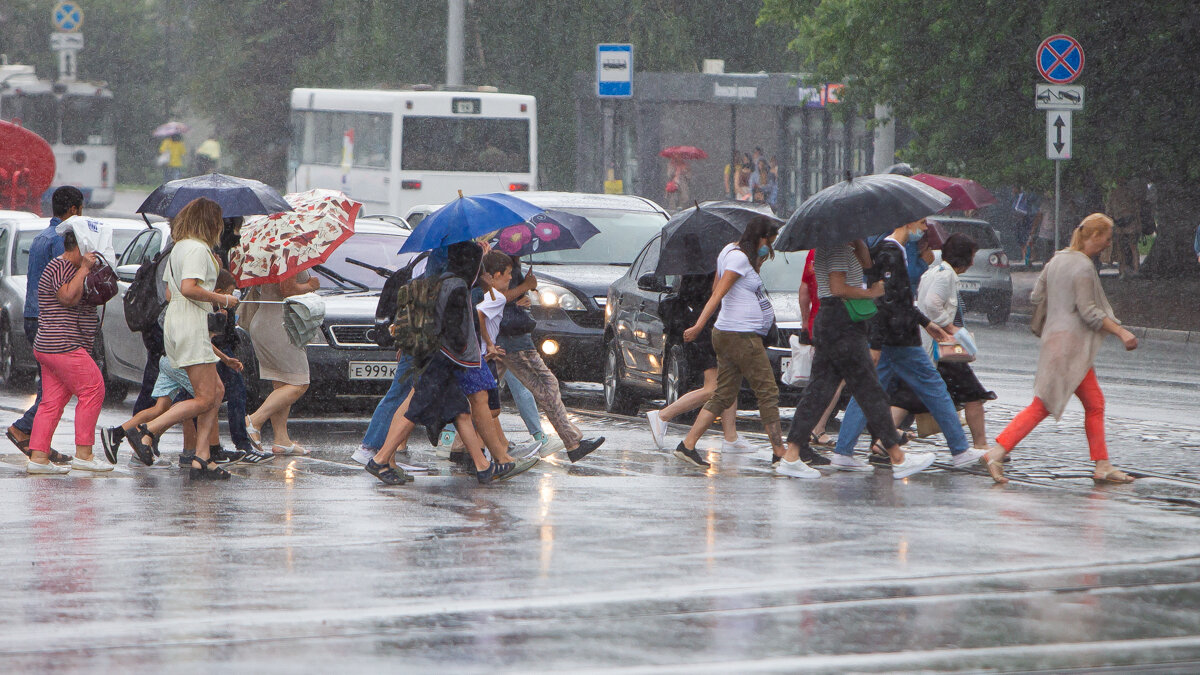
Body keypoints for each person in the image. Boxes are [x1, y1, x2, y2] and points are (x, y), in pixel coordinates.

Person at [985, 214, 1139, 484]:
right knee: (1044, 405)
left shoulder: (1056, 260)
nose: (1108, 243)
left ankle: (1102, 463)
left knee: (1093, 403)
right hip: (1072, 347)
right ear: (1094, 236)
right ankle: (997, 452)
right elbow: (1090, 312)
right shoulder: (1082, 267)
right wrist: (1121, 331)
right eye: (1107, 237)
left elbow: (1035, 296)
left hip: (1055, 343)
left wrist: (1059, 304)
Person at [829, 218, 986, 470]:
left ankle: (843, 451)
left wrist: (926, 323)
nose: (925, 229)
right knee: (934, 388)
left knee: (867, 391)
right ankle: (960, 450)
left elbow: (901, 301)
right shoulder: (889, 253)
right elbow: (885, 302)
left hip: (896, 337)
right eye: (922, 223)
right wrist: (877, 344)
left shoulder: (893, 252)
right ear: (906, 222)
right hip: (899, 339)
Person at [778, 239, 937, 480]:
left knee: (821, 389)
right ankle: (898, 456)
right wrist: (870, 293)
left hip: (832, 321)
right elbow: (837, 287)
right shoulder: (837, 247)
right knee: (868, 388)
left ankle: (791, 455)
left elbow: (866, 263)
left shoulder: (840, 246)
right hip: (842, 321)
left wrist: (859, 243)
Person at [365, 242, 517, 485]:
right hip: (442, 361)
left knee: (461, 412)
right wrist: (465, 353)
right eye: (478, 263)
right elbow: (454, 331)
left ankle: (483, 466)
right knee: (414, 410)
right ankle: (380, 459)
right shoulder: (456, 287)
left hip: (440, 359)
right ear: (469, 263)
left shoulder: (443, 280)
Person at [125, 198, 237, 479]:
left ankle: (202, 456)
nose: (222, 226)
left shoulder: (180, 247)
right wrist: (222, 298)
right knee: (204, 398)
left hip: (178, 322)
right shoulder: (198, 249)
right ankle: (149, 431)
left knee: (217, 391)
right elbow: (188, 288)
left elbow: (172, 292)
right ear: (210, 222)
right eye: (219, 220)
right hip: (190, 324)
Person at [672, 217, 789, 470]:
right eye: (770, 241)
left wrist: (756, 263)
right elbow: (717, 293)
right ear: (761, 237)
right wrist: (698, 326)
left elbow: (719, 285)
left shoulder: (730, 251)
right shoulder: (738, 259)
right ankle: (780, 451)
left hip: (729, 333)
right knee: (767, 391)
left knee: (723, 393)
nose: (771, 247)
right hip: (740, 337)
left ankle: (688, 445)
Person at [494, 255, 605, 463]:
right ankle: (572, 442)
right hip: (512, 338)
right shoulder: (501, 261)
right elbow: (495, 296)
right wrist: (524, 287)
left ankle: (460, 446)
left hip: (506, 336)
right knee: (546, 385)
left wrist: (523, 294)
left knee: (483, 394)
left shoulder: (509, 260)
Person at [7, 187, 82, 466]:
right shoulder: (62, 241)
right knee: (56, 388)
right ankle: (23, 429)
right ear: (74, 210)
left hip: (33, 316)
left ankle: (41, 445)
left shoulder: (41, 236)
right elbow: (62, 287)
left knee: (51, 386)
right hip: (49, 319)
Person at [24, 228, 110, 474]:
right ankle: (84, 454)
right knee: (94, 388)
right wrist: (84, 269)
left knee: (52, 401)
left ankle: (39, 457)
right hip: (61, 344)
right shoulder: (58, 267)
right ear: (80, 246)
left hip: (54, 345)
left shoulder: (73, 269)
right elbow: (68, 297)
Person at [644, 272, 750, 454]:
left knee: (728, 384)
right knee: (714, 388)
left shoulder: (700, 268)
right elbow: (713, 296)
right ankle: (663, 415)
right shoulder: (710, 270)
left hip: (710, 327)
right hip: (709, 330)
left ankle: (731, 437)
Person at [915, 233, 995, 450]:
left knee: (908, 398)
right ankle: (980, 445)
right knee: (973, 394)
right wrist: (949, 328)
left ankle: (884, 443)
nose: (972, 261)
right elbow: (932, 305)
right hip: (942, 350)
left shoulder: (934, 272)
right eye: (972, 255)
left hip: (931, 349)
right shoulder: (945, 276)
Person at [241, 266, 319, 457]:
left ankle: (281, 439)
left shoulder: (270, 255)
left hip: (265, 321)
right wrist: (310, 285)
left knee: (283, 382)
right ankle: (253, 421)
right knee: (299, 383)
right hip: (280, 324)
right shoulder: (288, 254)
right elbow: (287, 289)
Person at [797, 249, 840, 450]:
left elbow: (805, 288)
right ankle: (814, 428)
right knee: (831, 380)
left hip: (818, 323)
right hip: (835, 324)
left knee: (821, 380)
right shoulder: (841, 251)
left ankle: (804, 433)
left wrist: (805, 322)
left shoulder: (814, 253)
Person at [1106, 178, 1143, 278]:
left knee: (1120, 247)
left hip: (1118, 221)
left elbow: (1108, 210)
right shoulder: (1131, 193)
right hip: (1130, 220)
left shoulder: (1113, 194)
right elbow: (1137, 209)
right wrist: (1139, 223)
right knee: (1133, 247)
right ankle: (1136, 269)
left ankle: (1122, 270)